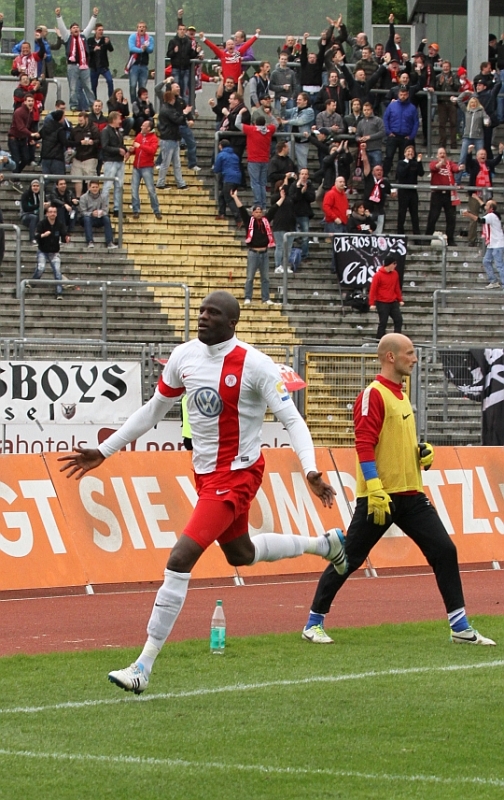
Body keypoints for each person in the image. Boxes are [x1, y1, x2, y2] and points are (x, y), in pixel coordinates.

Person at [59, 290, 348, 693]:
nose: (203, 318)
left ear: (232, 322)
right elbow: (153, 410)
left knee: (180, 558)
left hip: (238, 474)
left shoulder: (255, 365)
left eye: (213, 313)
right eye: (201, 311)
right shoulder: (184, 356)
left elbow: (293, 420)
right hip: (205, 475)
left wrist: (310, 468)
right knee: (241, 553)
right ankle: (326, 544)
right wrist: (105, 450)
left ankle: (143, 665)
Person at [302, 332, 496, 647]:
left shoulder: (401, 394)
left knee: (444, 551)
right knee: (348, 558)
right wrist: (375, 488)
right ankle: (313, 623)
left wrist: (420, 452)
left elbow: (391, 444)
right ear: (391, 357)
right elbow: (364, 445)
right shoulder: (373, 394)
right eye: (409, 353)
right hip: (379, 497)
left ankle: (460, 627)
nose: (415, 359)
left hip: (410, 495)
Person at [231, 190, 277, 306]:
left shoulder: (266, 221)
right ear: (253, 213)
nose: (258, 213)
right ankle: (248, 297)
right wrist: (235, 197)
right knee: (250, 277)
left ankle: (266, 298)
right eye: (256, 212)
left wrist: (281, 198)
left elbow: (274, 209)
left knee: (265, 278)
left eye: (260, 212)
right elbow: (241, 209)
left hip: (264, 253)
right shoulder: (249, 221)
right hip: (253, 253)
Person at [55, 6, 97, 111]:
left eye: (77, 27)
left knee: (88, 87)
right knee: (73, 87)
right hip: (72, 66)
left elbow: (90, 27)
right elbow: (62, 27)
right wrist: (58, 16)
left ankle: (92, 104)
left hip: (84, 66)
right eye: (73, 27)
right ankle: (74, 104)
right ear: (70, 30)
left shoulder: (83, 37)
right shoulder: (67, 37)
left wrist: (94, 16)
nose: (76, 29)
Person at [464, 144, 504, 246]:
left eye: (484, 154)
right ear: (477, 156)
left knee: (489, 217)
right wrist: (469, 152)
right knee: (473, 217)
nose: (483, 156)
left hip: (487, 195)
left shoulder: (488, 163)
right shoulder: (474, 163)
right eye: (481, 154)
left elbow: (495, 161)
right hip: (475, 195)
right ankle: (471, 241)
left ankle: (488, 239)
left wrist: (500, 152)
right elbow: (468, 162)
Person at [235, 111, 276, 209]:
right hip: (265, 160)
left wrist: (240, 113)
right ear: (264, 123)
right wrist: (270, 115)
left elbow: (237, 124)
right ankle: (263, 205)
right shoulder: (269, 130)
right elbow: (276, 124)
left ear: (255, 123)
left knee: (255, 183)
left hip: (254, 160)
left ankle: (258, 204)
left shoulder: (251, 130)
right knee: (262, 183)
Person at [425, 147, 463, 247]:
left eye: (444, 153)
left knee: (451, 218)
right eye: (440, 153)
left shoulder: (450, 164)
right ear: (437, 155)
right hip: (437, 194)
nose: (442, 155)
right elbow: (433, 168)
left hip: (448, 194)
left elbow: (455, 168)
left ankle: (450, 239)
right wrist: (440, 163)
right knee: (433, 217)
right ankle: (427, 239)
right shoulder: (433, 163)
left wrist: (459, 168)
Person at [463, 199, 504, 288]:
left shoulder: (492, 216)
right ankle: (493, 281)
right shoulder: (491, 214)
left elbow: (481, 220)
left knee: (499, 265)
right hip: (492, 243)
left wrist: (469, 215)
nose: (485, 206)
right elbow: (483, 206)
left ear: (491, 208)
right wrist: (477, 198)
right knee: (486, 261)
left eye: (487, 205)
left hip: (497, 244)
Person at [32, 204, 69, 300]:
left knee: (57, 271)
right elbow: (36, 235)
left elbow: (64, 235)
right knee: (40, 268)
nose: (53, 214)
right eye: (51, 212)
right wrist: (43, 235)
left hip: (54, 251)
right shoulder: (42, 223)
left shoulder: (59, 224)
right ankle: (33, 282)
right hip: (43, 250)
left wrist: (66, 238)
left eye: (54, 212)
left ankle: (59, 292)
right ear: (47, 214)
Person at [128, 119, 162, 220]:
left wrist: (140, 146)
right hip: (136, 166)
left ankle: (156, 210)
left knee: (151, 190)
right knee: (134, 189)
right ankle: (136, 210)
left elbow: (152, 151)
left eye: (143, 126)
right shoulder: (139, 136)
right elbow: (135, 148)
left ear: (148, 128)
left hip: (147, 167)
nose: (141, 127)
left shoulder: (154, 138)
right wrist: (132, 150)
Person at [155, 89, 189, 191]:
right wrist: (185, 113)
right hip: (168, 139)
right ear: (171, 99)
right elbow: (177, 120)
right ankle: (160, 183)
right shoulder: (167, 110)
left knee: (176, 163)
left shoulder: (166, 108)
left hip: (172, 138)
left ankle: (180, 183)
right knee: (166, 162)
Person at [382, 88, 419, 177]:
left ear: (408, 95)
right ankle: (384, 176)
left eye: (405, 95)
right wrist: (388, 132)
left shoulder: (412, 108)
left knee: (403, 158)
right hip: (393, 135)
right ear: (398, 95)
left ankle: (400, 177)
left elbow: (416, 123)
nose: (403, 96)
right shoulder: (392, 106)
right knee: (389, 156)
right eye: (401, 94)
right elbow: (385, 118)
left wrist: (411, 136)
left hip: (406, 137)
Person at [368, 256, 404, 339]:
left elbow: (396, 287)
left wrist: (400, 299)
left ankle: (397, 338)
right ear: (389, 264)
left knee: (398, 319)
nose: (395, 265)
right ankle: (379, 338)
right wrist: (372, 303)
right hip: (382, 302)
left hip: (392, 301)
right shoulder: (378, 275)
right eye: (394, 263)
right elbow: (373, 289)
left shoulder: (395, 274)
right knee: (383, 322)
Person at [362, 149, 396, 234]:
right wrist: (363, 151)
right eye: (377, 170)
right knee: (366, 230)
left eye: (381, 170)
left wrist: (394, 193)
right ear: (373, 172)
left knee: (378, 231)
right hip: (367, 209)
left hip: (379, 210)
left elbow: (392, 191)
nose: (379, 172)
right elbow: (366, 163)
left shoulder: (385, 182)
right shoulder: (369, 178)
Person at [279, 92, 315, 170]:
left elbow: (300, 121)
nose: (297, 101)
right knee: (288, 164)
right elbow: (284, 114)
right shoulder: (295, 109)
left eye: (300, 100)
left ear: (305, 101)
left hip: (302, 142)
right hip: (291, 140)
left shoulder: (310, 111)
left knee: (302, 165)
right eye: (297, 99)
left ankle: (302, 177)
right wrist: (283, 106)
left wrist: (286, 122)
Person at [101, 111, 127, 215]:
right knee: (107, 186)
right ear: (114, 119)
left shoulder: (118, 131)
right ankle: (105, 208)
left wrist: (126, 151)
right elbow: (105, 146)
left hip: (119, 161)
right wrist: (118, 150)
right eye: (119, 119)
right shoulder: (105, 131)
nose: (120, 121)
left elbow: (121, 145)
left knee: (119, 186)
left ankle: (117, 208)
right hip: (110, 161)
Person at [79, 179, 117, 248]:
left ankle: (109, 242)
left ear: (99, 187)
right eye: (93, 187)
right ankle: (90, 241)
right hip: (87, 218)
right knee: (87, 219)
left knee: (106, 218)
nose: (95, 189)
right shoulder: (83, 197)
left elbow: (106, 210)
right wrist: (91, 214)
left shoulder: (103, 197)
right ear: (89, 187)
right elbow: (82, 212)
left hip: (99, 218)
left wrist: (101, 213)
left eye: (96, 187)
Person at [69, 111, 100, 197]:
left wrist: (92, 142)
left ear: (86, 119)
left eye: (82, 120)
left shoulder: (94, 129)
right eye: (79, 120)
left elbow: (99, 140)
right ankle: (78, 198)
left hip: (90, 157)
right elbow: (70, 141)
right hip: (78, 157)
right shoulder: (75, 130)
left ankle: (90, 197)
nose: (80, 122)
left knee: (90, 180)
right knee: (77, 179)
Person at [212, 139, 242, 226]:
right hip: (237, 178)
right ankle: (222, 213)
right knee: (222, 196)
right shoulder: (235, 155)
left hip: (228, 178)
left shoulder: (221, 155)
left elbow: (217, 169)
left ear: (221, 146)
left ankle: (239, 218)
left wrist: (214, 169)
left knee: (229, 198)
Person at [8, 94, 40, 174]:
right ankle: (15, 177)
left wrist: (30, 139)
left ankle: (16, 174)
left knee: (26, 158)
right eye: (29, 101)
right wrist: (31, 134)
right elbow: (20, 127)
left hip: (23, 139)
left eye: (32, 101)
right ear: (25, 102)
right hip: (14, 138)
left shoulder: (31, 113)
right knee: (16, 159)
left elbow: (29, 127)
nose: (31, 103)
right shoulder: (18, 112)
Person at [396, 145, 424, 236]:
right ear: (404, 153)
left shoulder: (415, 163)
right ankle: (400, 234)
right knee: (402, 213)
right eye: (408, 151)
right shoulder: (401, 163)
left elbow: (421, 173)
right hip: (403, 191)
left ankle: (417, 236)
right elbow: (401, 174)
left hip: (413, 192)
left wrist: (419, 162)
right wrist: (409, 163)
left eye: (412, 152)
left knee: (414, 214)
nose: (410, 153)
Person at [127, 21, 154, 104]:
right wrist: (141, 50)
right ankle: (134, 103)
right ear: (137, 28)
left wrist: (146, 48)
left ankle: (141, 104)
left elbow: (151, 49)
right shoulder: (133, 37)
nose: (141, 28)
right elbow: (132, 48)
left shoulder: (149, 38)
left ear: (146, 29)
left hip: (144, 65)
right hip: (134, 65)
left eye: (143, 27)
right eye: (140, 27)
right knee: (133, 85)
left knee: (142, 87)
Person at [167, 21, 192, 101]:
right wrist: (174, 51)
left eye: (184, 29)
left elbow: (191, 54)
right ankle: (175, 105)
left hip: (186, 69)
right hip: (176, 69)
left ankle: (184, 106)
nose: (182, 31)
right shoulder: (173, 41)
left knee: (185, 90)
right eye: (180, 29)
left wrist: (196, 52)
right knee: (175, 89)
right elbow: (168, 54)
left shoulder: (188, 42)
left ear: (185, 31)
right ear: (177, 31)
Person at [88, 22, 114, 98]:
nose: (101, 32)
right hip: (94, 67)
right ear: (95, 31)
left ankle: (111, 99)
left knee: (110, 80)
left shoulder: (104, 40)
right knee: (93, 85)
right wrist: (94, 49)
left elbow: (111, 49)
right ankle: (94, 101)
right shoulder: (90, 40)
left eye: (102, 30)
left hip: (103, 66)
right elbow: (87, 51)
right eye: (99, 30)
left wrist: (108, 43)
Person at [20, 179, 48, 243]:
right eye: (34, 186)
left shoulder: (42, 194)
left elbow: (44, 207)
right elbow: (25, 208)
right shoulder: (25, 195)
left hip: (39, 215)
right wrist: (39, 205)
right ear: (31, 186)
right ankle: (32, 238)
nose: (35, 187)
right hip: (26, 215)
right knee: (34, 217)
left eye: (37, 186)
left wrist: (46, 207)